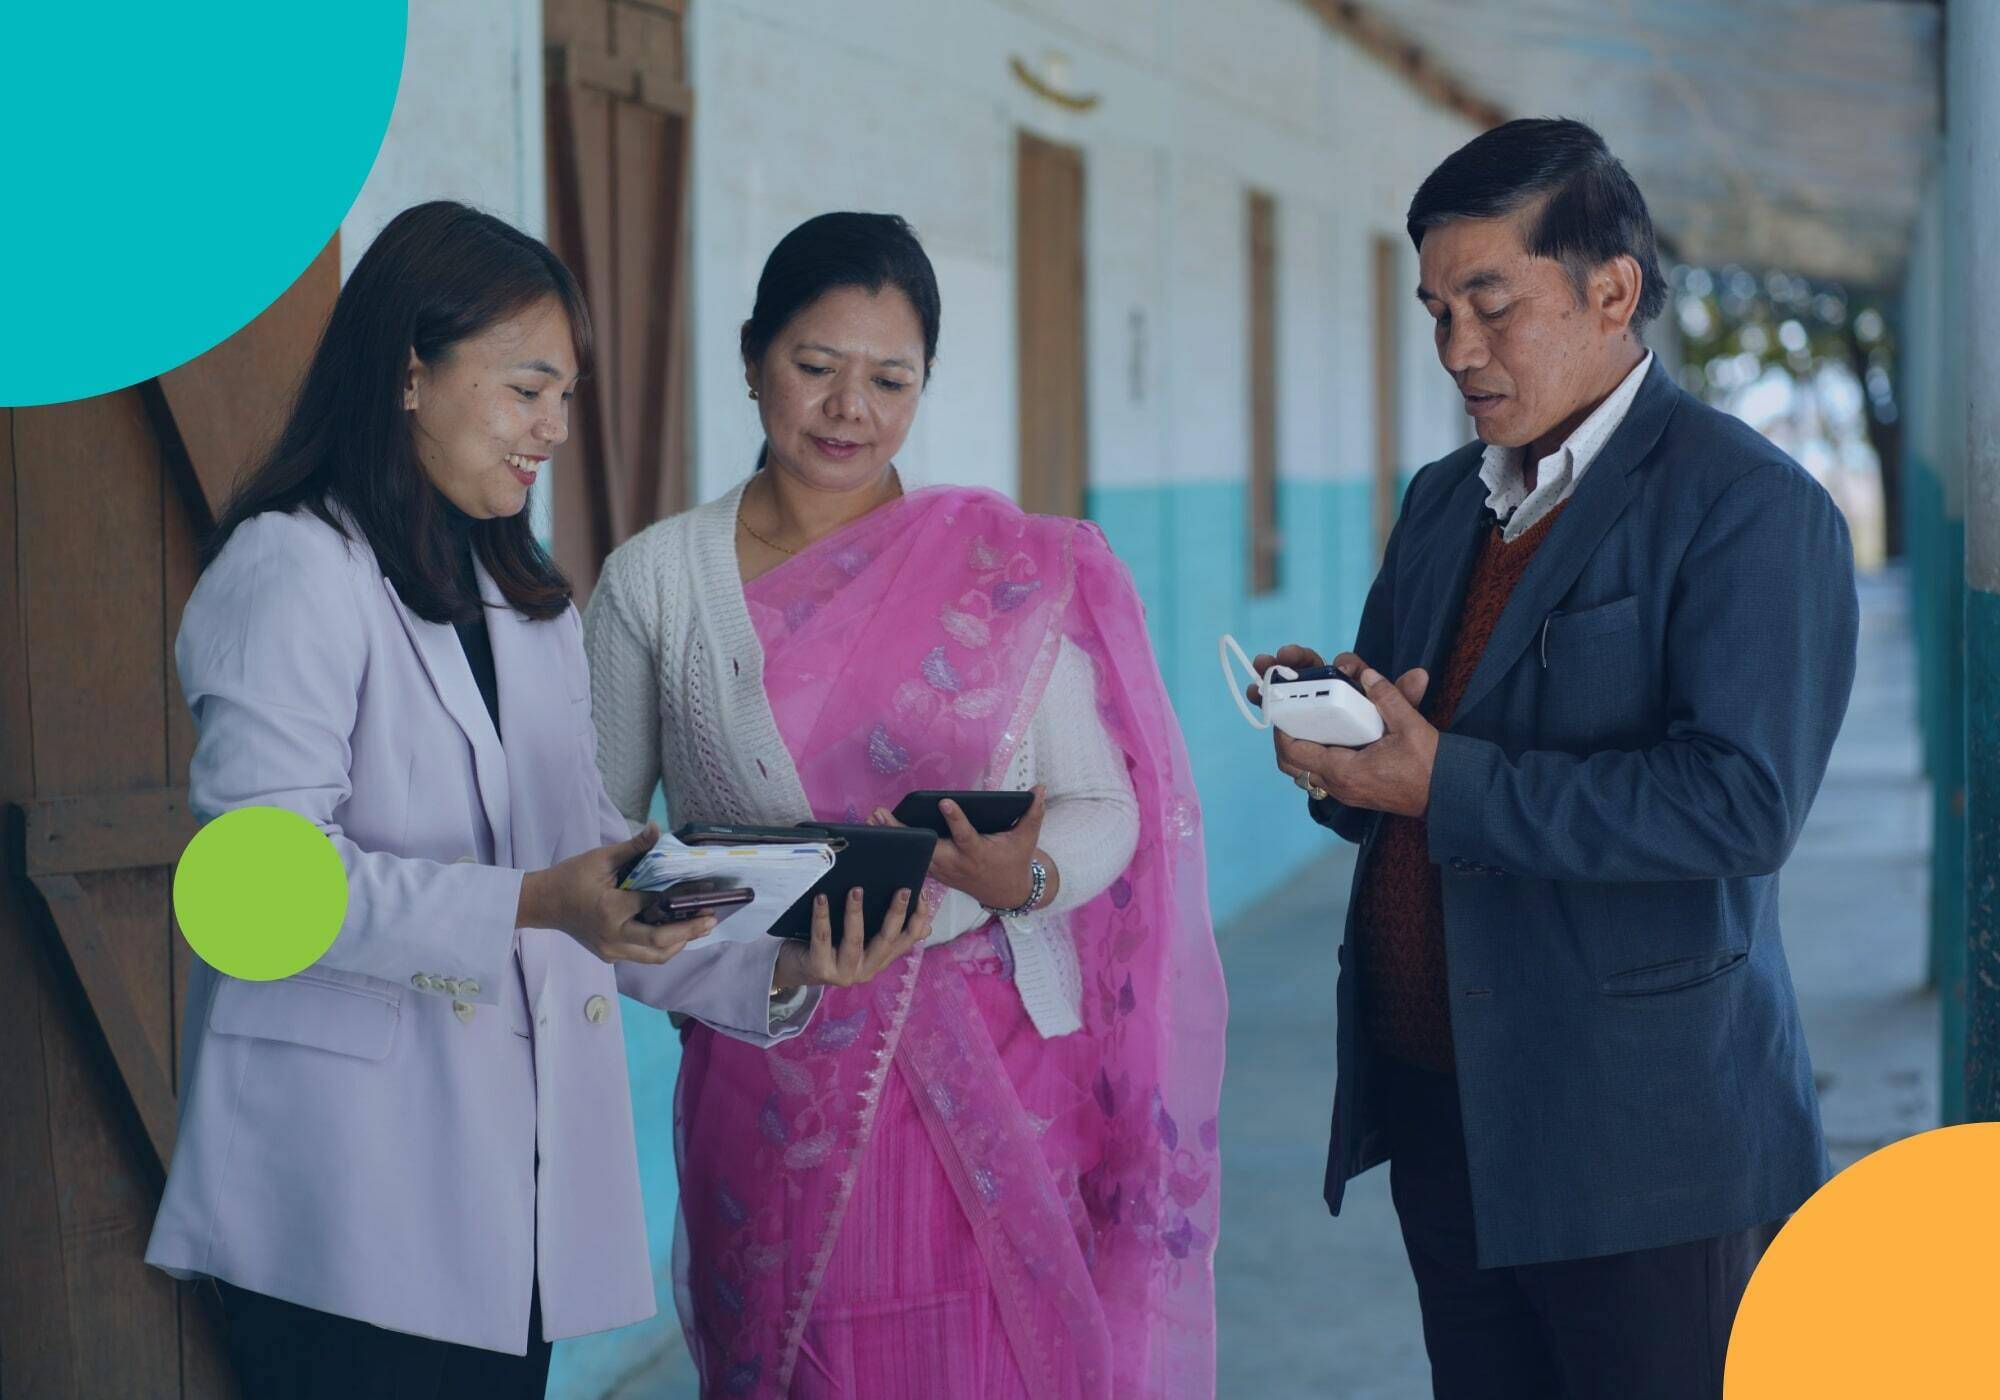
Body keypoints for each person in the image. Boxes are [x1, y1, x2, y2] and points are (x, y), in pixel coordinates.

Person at [144, 200, 929, 1400]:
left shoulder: (523, 598)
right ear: (411, 373)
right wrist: (531, 902)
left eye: (565, 395)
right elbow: (256, 886)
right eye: (527, 389)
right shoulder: (292, 569)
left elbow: (587, 877)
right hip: (340, 1190)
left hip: (511, 1190)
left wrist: (777, 962)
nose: (555, 429)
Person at [1256, 119, 1858, 1398]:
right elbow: (1406, 761)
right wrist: (1341, 749)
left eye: (1488, 304)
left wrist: (1436, 780)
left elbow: (1739, 804)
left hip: (1637, 1137)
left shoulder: (1745, 506)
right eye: (1434, 312)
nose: (1456, 349)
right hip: (1441, 1101)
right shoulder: (1441, 500)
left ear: (1610, 290)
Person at [584, 211, 1227, 1398]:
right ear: (750, 360)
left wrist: (1017, 879)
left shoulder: (1001, 569)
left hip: (994, 1080)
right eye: (814, 366)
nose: (849, 409)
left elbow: (1102, 804)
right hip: (771, 1080)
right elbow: (596, 866)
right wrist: (763, 963)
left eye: (890, 378)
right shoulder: (657, 583)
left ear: (924, 385)